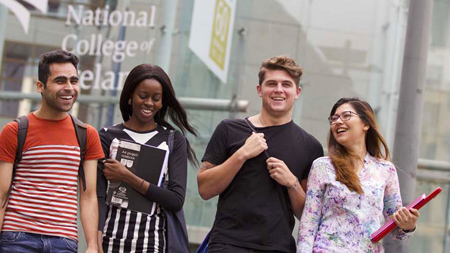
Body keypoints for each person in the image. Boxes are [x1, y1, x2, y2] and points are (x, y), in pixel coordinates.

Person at [197, 55, 324, 252]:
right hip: (227, 243)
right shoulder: (229, 129)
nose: (279, 90)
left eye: (286, 84)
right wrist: (241, 155)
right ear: (259, 90)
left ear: (297, 92)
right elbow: (205, 189)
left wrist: (292, 183)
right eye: (271, 83)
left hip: (278, 247)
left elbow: (310, 215)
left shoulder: (310, 146)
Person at [0, 49, 104, 252]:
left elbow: (89, 195)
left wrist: (92, 245)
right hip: (17, 238)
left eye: (74, 81)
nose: (69, 88)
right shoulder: (15, 130)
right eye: (60, 81)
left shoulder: (86, 134)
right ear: (40, 86)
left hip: (64, 242)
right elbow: (1, 194)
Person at [297, 97, 420, 253]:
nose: (338, 121)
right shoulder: (322, 166)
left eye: (346, 115)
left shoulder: (385, 170)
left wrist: (408, 226)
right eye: (334, 118)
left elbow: (396, 230)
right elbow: (309, 224)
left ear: (366, 123)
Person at [97, 63, 197, 252]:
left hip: (151, 243)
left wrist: (127, 176)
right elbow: (99, 197)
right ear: (129, 97)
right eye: (143, 96)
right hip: (110, 241)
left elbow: (176, 200)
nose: (149, 103)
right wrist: (95, 241)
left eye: (156, 98)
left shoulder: (173, 139)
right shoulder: (107, 136)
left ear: (162, 103)